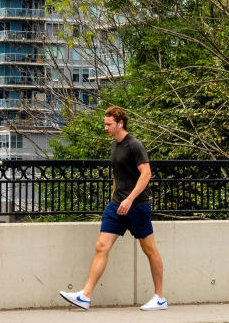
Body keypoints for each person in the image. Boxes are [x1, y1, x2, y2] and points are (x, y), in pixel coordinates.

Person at [59, 106, 167, 311]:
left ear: (120, 123)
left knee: (149, 250)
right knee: (101, 247)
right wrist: (115, 199)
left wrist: (129, 200)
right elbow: (119, 175)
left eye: (109, 124)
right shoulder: (114, 146)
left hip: (137, 207)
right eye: (105, 124)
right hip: (116, 207)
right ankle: (85, 295)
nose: (105, 127)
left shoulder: (135, 145)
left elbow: (146, 174)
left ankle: (159, 297)